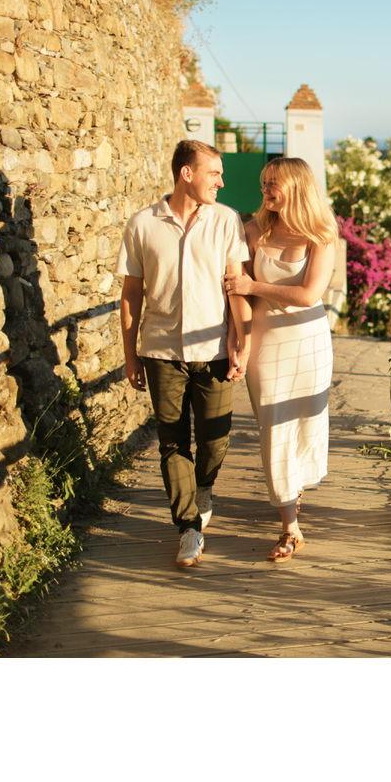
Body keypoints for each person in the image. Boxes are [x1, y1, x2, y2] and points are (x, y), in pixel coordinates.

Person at [117, 140, 251, 568]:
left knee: (216, 437)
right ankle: (188, 527)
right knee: (172, 443)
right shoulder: (142, 224)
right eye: (214, 173)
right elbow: (131, 294)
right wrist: (130, 354)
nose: (222, 181)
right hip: (159, 351)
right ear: (186, 174)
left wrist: (240, 341)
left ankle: (205, 485)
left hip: (212, 350)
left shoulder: (226, 220)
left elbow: (236, 285)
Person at [224, 157, 337, 561]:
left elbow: (309, 294)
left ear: (297, 187)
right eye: (264, 182)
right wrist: (242, 342)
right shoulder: (253, 231)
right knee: (274, 426)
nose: (266, 189)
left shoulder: (321, 234)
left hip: (309, 341)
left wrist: (254, 283)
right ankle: (289, 524)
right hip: (267, 342)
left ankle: (294, 492)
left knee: (305, 420)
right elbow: (239, 293)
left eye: (274, 183)